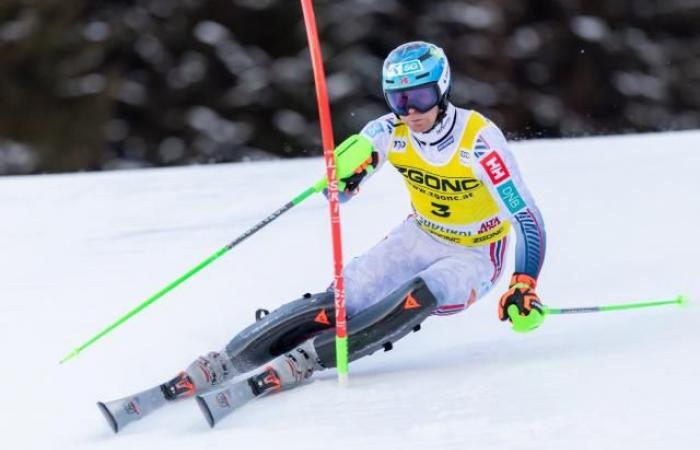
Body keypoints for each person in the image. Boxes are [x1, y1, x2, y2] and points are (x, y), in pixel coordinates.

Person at [101, 42, 547, 430]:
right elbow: (359, 165)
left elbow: (528, 219)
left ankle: (311, 358)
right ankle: (229, 358)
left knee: (421, 293)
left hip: (475, 253)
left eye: (421, 96)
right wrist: (345, 179)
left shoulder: (479, 141)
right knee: (341, 298)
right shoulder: (389, 131)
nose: (410, 110)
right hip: (421, 235)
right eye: (399, 98)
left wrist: (523, 283)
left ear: (443, 89)